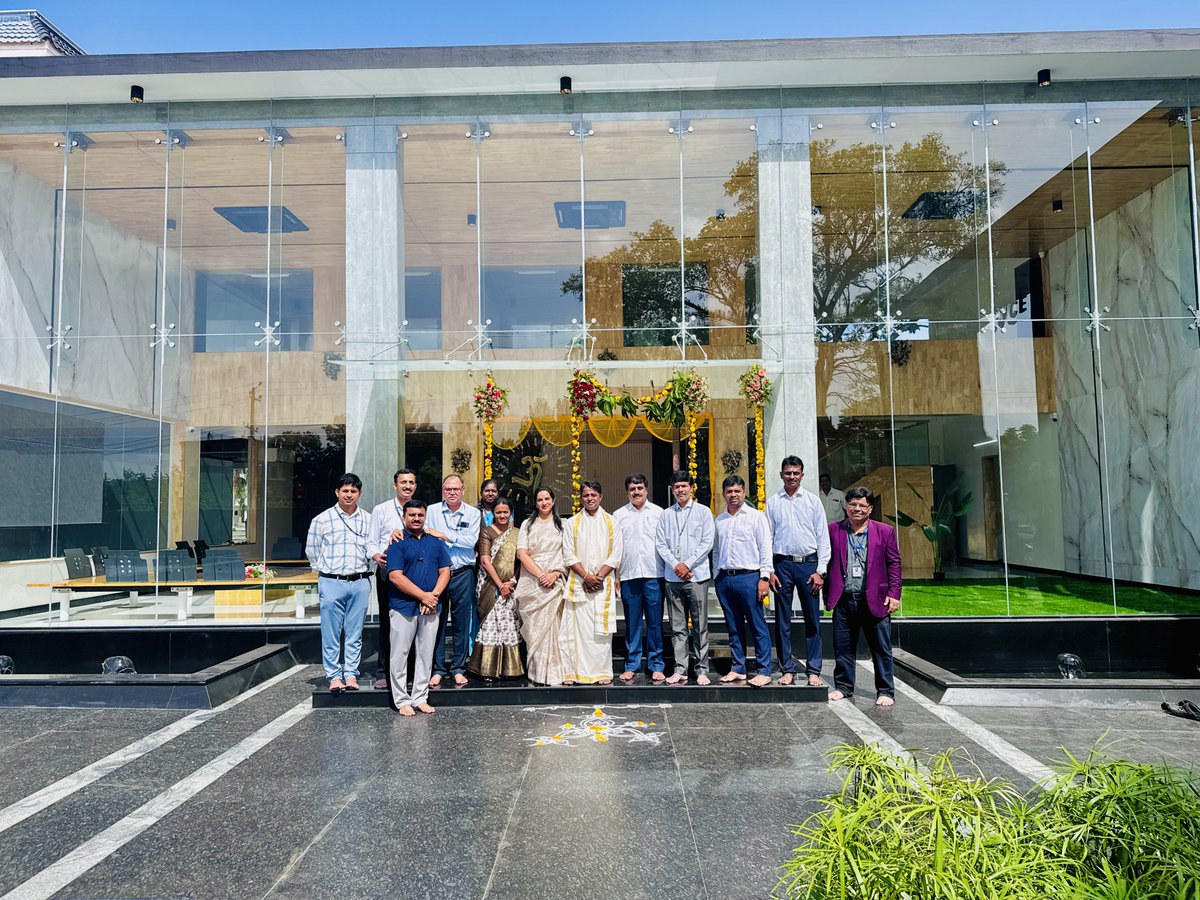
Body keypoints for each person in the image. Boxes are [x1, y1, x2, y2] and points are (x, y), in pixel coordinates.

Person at [825, 486, 902, 707]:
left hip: (874, 599)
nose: (856, 509)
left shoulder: (884, 531)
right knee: (843, 647)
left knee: (880, 648)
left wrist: (894, 594)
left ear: (869, 509)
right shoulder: (834, 530)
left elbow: (894, 564)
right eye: (853, 504)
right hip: (844, 598)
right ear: (846, 507)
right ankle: (844, 687)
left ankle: (885, 690)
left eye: (862, 505)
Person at [766, 456, 832, 687]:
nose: (791, 476)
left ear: (802, 475)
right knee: (782, 619)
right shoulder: (773, 502)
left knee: (812, 618)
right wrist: (769, 570)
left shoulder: (813, 502)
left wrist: (820, 571)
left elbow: (823, 538)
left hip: (808, 565)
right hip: (782, 565)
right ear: (781, 474)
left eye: (795, 473)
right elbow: (768, 539)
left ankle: (814, 669)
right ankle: (787, 669)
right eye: (787, 473)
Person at [306, 473, 373, 693]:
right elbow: (312, 551)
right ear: (337, 492)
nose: (349, 495)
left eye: (353, 491)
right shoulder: (322, 519)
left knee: (355, 632)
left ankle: (351, 673)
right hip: (331, 581)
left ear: (359, 494)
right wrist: (324, 572)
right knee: (331, 632)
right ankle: (334, 675)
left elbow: (372, 548)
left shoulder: (368, 519)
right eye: (345, 490)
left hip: (360, 581)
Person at [385, 499, 450, 715]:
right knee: (400, 653)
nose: (416, 519)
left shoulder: (435, 542)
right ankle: (402, 699)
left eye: (420, 515)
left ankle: (420, 697)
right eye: (412, 515)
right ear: (404, 517)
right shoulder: (397, 542)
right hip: (403, 606)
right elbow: (395, 576)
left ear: (425, 517)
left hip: (431, 607)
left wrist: (433, 597)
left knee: (425, 654)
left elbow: (445, 571)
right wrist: (423, 596)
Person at [655, 469, 715, 686]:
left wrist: (687, 564)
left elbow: (707, 542)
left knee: (700, 626)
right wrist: (676, 565)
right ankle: (680, 669)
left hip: (697, 577)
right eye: (676, 487)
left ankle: (701, 669)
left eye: (684, 486)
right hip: (673, 578)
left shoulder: (703, 512)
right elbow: (660, 543)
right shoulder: (666, 514)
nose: (680, 490)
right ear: (672, 490)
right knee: (677, 627)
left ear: (691, 488)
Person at [714, 475, 775, 687]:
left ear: (743, 492)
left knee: (757, 625)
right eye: (729, 492)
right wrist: (716, 575)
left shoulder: (756, 517)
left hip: (749, 578)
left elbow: (766, 548)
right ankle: (738, 668)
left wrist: (764, 577)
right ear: (724, 494)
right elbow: (716, 551)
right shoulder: (719, 520)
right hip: (725, 579)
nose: (733, 495)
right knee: (733, 626)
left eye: (737, 491)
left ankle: (764, 670)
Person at [561, 480, 623, 685]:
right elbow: (568, 554)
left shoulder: (612, 522)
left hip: (602, 585)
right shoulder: (571, 523)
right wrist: (586, 576)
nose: (589, 499)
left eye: (593, 495)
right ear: (581, 498)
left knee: (600, 631)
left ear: (601, 497)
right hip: (579, 582)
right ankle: (574, 673)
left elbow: (616, 555)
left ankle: (602, 672)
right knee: (576, 630)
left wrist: (599, 576)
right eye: (586, 495)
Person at [424, 473, 482, 687]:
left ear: (463, 491)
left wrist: (444, 535)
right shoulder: (431, 511)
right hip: (437, 574)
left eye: (456, 489)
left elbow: (471, 541)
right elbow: (426, 535)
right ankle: (438, 668)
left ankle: (458, 667)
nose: (452, 492)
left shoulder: (473, 513)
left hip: (462, 573)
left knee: (461, 623)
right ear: (442, 491)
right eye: (448, 489)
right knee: (436, 621)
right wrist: (439, 536)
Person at [612, 474, 666, 684]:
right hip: (629, 575)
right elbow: (616, 548)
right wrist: (616, 575)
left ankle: (656, 665)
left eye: (640, 488)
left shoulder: (659, 513)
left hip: (654, 574)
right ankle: (632, 665)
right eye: (632, 489)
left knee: (654, 623)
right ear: (627, 492)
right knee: (632, 623)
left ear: (646, 490)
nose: (636, 492)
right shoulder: (618, 515)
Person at [367, 467, 417, 691]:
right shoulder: (381, 510)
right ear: (395, 485)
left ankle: (413, 672)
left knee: (414, 621)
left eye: (411, 483)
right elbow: (371, 542)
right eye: (403, 482)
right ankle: (384, 671)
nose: (407, 486)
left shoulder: (420, 509)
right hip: (388, 570)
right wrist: (378, 555)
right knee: (389, 621)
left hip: (415, 571)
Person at [514, 487, 567, 685]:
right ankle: (537, 673)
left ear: (553, 501)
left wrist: (554, 574)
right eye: (539, 500)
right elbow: (522, 553)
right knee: (536, 629)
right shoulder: (527, 524)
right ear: (535, 503)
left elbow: (567, 553)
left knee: (555, 628)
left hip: (555, 582)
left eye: (547, 499)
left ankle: (556, 673)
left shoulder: (563, 525)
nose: (543, 503)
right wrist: (541, 575)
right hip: (532, 581)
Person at [468, 495, 524, 679]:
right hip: (490, 586)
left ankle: (511, 669)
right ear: (492, 513)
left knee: (509, 625)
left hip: (511, 585)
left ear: (511, 513)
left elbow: (520, 562)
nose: (502, 515)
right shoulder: (487, 532)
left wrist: (512, 582)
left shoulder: (518, 532)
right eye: (498, 512)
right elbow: (485, 560)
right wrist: (500, 585)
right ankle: (487, 669)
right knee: (491, 624)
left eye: (505, 512)